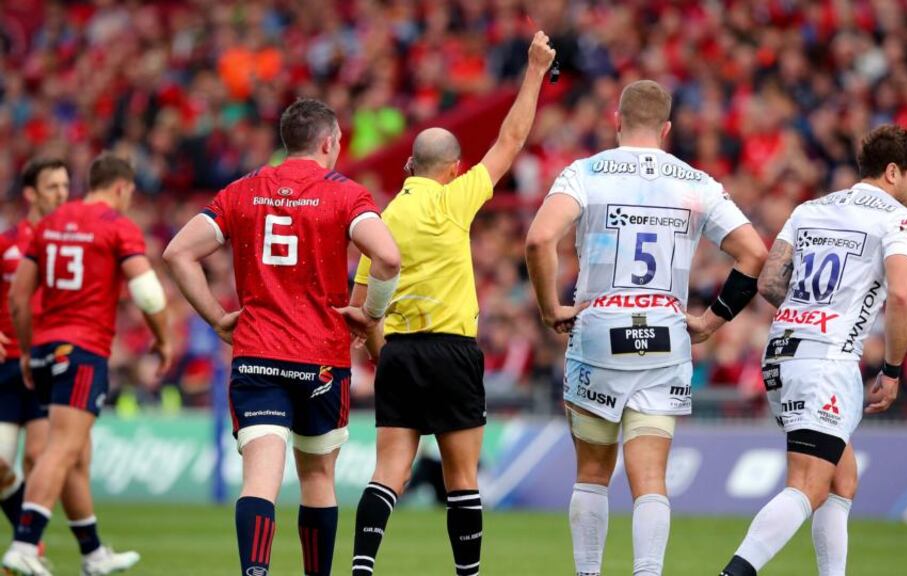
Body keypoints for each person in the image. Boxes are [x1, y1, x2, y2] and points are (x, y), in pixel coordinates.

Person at [525, 79, 767, 576]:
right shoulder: (695, 181)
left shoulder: (585, 173)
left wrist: (550, 307)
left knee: (592, 475)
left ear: (617, 121)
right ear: (667, 128)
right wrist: (712, 319)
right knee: (650, 477)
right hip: (665, 334)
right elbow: (755, 254)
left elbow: (538, 239)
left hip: (597, 334)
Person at [347, 30, 556, 576]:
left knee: (387, 471)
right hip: (453, 352)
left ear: (410, 166)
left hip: (400, 353)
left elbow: (359, 304)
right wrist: (534, 71)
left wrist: (377, 351)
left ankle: (362, 567)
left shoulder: (384, 216)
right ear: (454, 168)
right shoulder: (454, 200)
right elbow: (510, 140)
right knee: (461, 477)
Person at [163, 97, 400, 576]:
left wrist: (215, 318)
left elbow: (177, 253)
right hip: (320, 358)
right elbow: (389, 258)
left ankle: (255, 571)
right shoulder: (344, 192)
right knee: (317, 478)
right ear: (329, 142)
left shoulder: (243, 189)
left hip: (256, 355)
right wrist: (370, 314)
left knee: (260, 480)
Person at [718, 125, 907, 576]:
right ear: (892, 172)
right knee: (808, 485)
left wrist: (809, 310)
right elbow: (903, 295)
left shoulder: (811, 208)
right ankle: (733, 573)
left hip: (781, 350)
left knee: (841, 479)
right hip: (827, 360)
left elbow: (771, 281)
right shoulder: (897, 219)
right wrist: (892, 370)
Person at [2, 153, 172, 576]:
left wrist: (26, 351)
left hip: (42, 349)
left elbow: (19, 298)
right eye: (130, 192)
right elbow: (148, 294)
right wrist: (164, 339)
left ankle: (93, 554)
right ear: (120, 187)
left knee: (75, 453)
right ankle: (24, 544)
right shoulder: (116, 226)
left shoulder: (51, 225)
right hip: (82, 352)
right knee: (60, 449)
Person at [0, 158, 69, 535]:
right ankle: (25, 536)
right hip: (7, 366)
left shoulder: (71, 241)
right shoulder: (8, 242)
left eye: (64, 186)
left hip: (46, 361)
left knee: (36, 455)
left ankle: (29, 544)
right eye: (52, 187)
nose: (61, 194)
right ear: (31, 193)